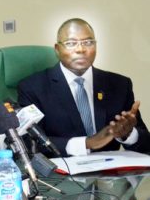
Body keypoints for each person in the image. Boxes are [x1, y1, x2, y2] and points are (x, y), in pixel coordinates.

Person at [18, 18, 150, 157]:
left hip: (110, 174)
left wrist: (129, 134)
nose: (80, 49)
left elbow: (146, 144)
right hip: (61, 173)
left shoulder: (119, 85)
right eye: (71, 43)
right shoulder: (33, 87)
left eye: (88, 42)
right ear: (57, 49)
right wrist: (87, 143)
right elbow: (30, 143)